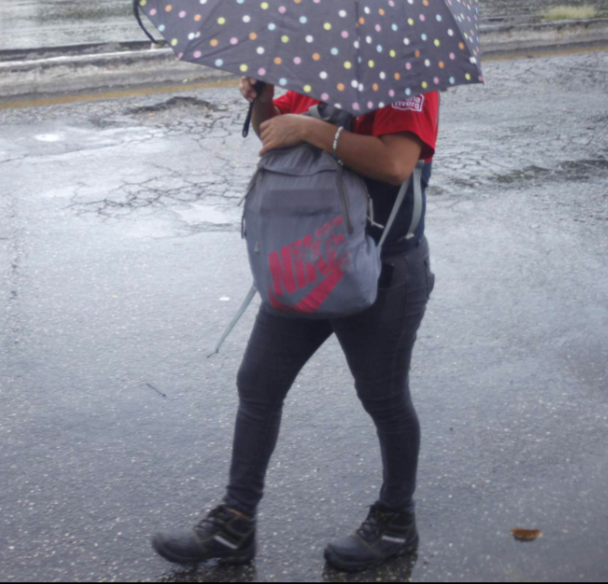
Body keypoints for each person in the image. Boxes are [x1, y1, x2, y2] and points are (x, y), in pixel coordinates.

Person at [152, 77, 440, 573]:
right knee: (258, 382)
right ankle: (235, 522)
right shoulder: (321, 68)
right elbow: (275, 134)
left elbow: (395, 164)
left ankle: (396, 519)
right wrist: (264, 99)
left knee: (383, 397)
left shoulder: (406, 72)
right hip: (307, 260)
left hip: (381, 267)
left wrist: (312, 129)